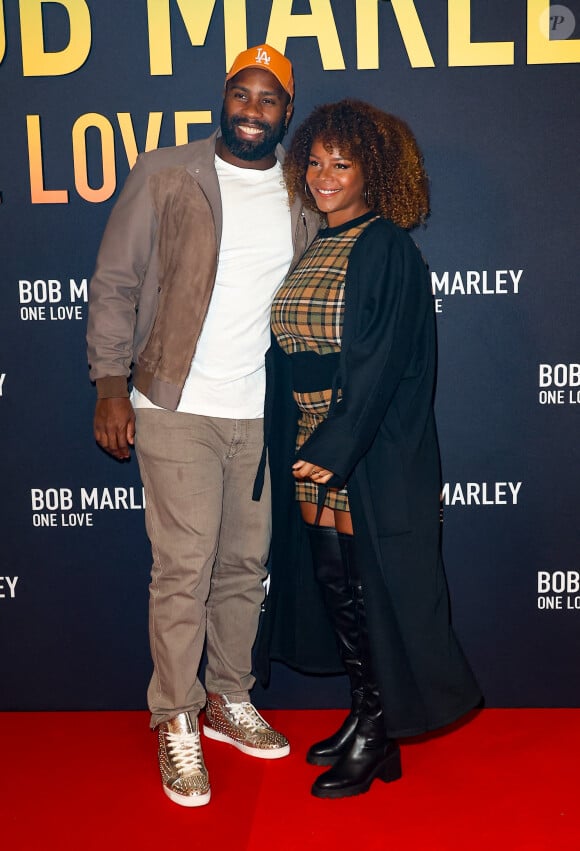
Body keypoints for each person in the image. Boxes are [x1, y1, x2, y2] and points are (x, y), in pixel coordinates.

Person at [86, 44, 319, 807]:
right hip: (173, 404)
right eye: (242, 95)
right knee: (183, 569)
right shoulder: (167, 172)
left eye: (269, 100)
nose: (253, 110)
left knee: (245, 569)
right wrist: (110, 386)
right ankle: (176, 716)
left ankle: (227, 696)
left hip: (258, 416)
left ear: (287, 111)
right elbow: (116, 283)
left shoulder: (299, 193)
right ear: (223, 98)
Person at [268, 100, 482, 799]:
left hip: (360, 447)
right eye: (317, 161)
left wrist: (340, 440)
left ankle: (377, 726)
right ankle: (368, 717)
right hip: (312, 438)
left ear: (372, 170)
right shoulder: (316, 243)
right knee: (337, 584)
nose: (325, 175)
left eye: (343, 163)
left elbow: (382, 359)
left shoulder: (384, 244)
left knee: (367, 584)